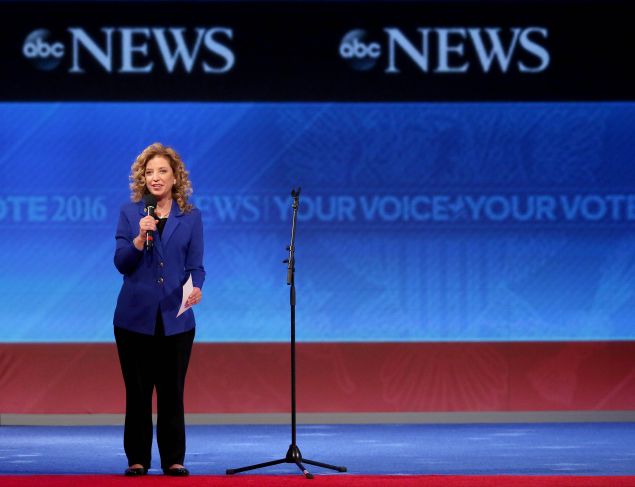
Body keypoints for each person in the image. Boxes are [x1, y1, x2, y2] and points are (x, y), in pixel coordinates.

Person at [113, 142, 205, 477]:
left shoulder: (191, 218)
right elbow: (122, 263)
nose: (155, 177)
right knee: (137, 393)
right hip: (133, 319)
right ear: (142, 177)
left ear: (175, 176)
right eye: (149, 172)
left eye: (162, 171)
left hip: (176, 320)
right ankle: (137, 458)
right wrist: (138, 240)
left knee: (171, 393)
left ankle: (173, 459)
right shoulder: (131, 213)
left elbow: (197, 266)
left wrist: (197, 287)